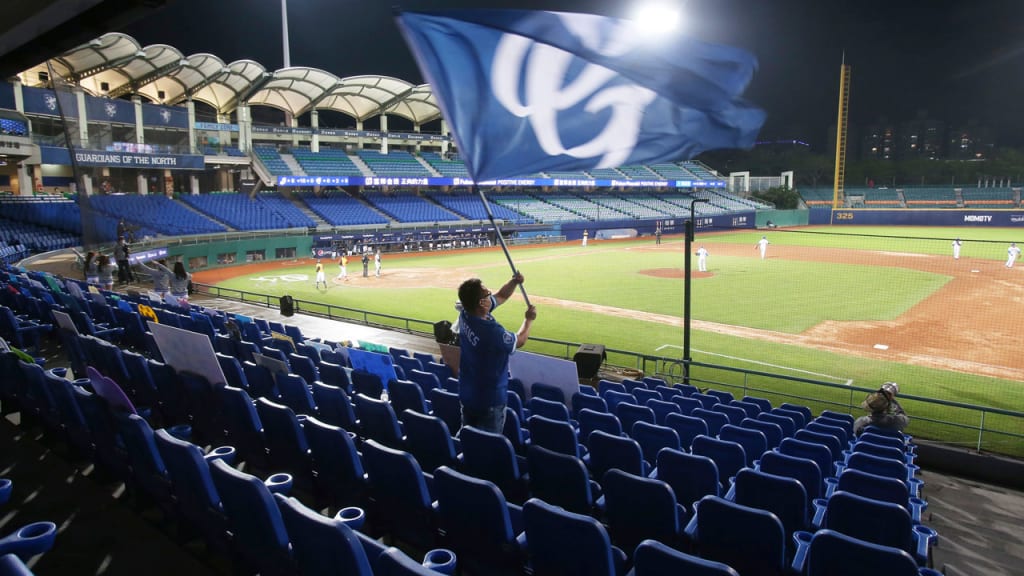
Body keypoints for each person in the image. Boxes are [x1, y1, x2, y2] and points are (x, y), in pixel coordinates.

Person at [457, 272, 537, 433]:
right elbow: (519, 340)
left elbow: (501, 296)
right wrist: (528, 320)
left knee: (468, 437)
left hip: (468, 392)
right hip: (489, 400)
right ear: (481, 303)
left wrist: (513, 282)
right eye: (487, 293)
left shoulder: (465, 313)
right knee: (488, 444)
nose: (490, 295)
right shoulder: (491, 332)